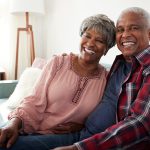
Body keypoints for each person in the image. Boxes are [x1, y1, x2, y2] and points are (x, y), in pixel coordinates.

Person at [0, 14, 116, 149]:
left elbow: (102, 117)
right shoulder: (58, 63)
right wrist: (14, 123)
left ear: (106, 49)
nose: (90, 43)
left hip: (64, 137)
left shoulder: (107, 79)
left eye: (99, 40)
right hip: (30, 125)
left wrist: (84, 125)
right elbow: (34, 101)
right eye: (87, 36)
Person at [52, 6, 150, 150]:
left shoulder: (147, 68)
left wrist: (79, 148)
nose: (125, 35)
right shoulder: (119, 65)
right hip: (83, 134)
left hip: (99, 145)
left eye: (134, 28)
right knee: (12, 144)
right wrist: (84, 122)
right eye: (120, 30)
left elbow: (140, 123)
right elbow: (107, 107)